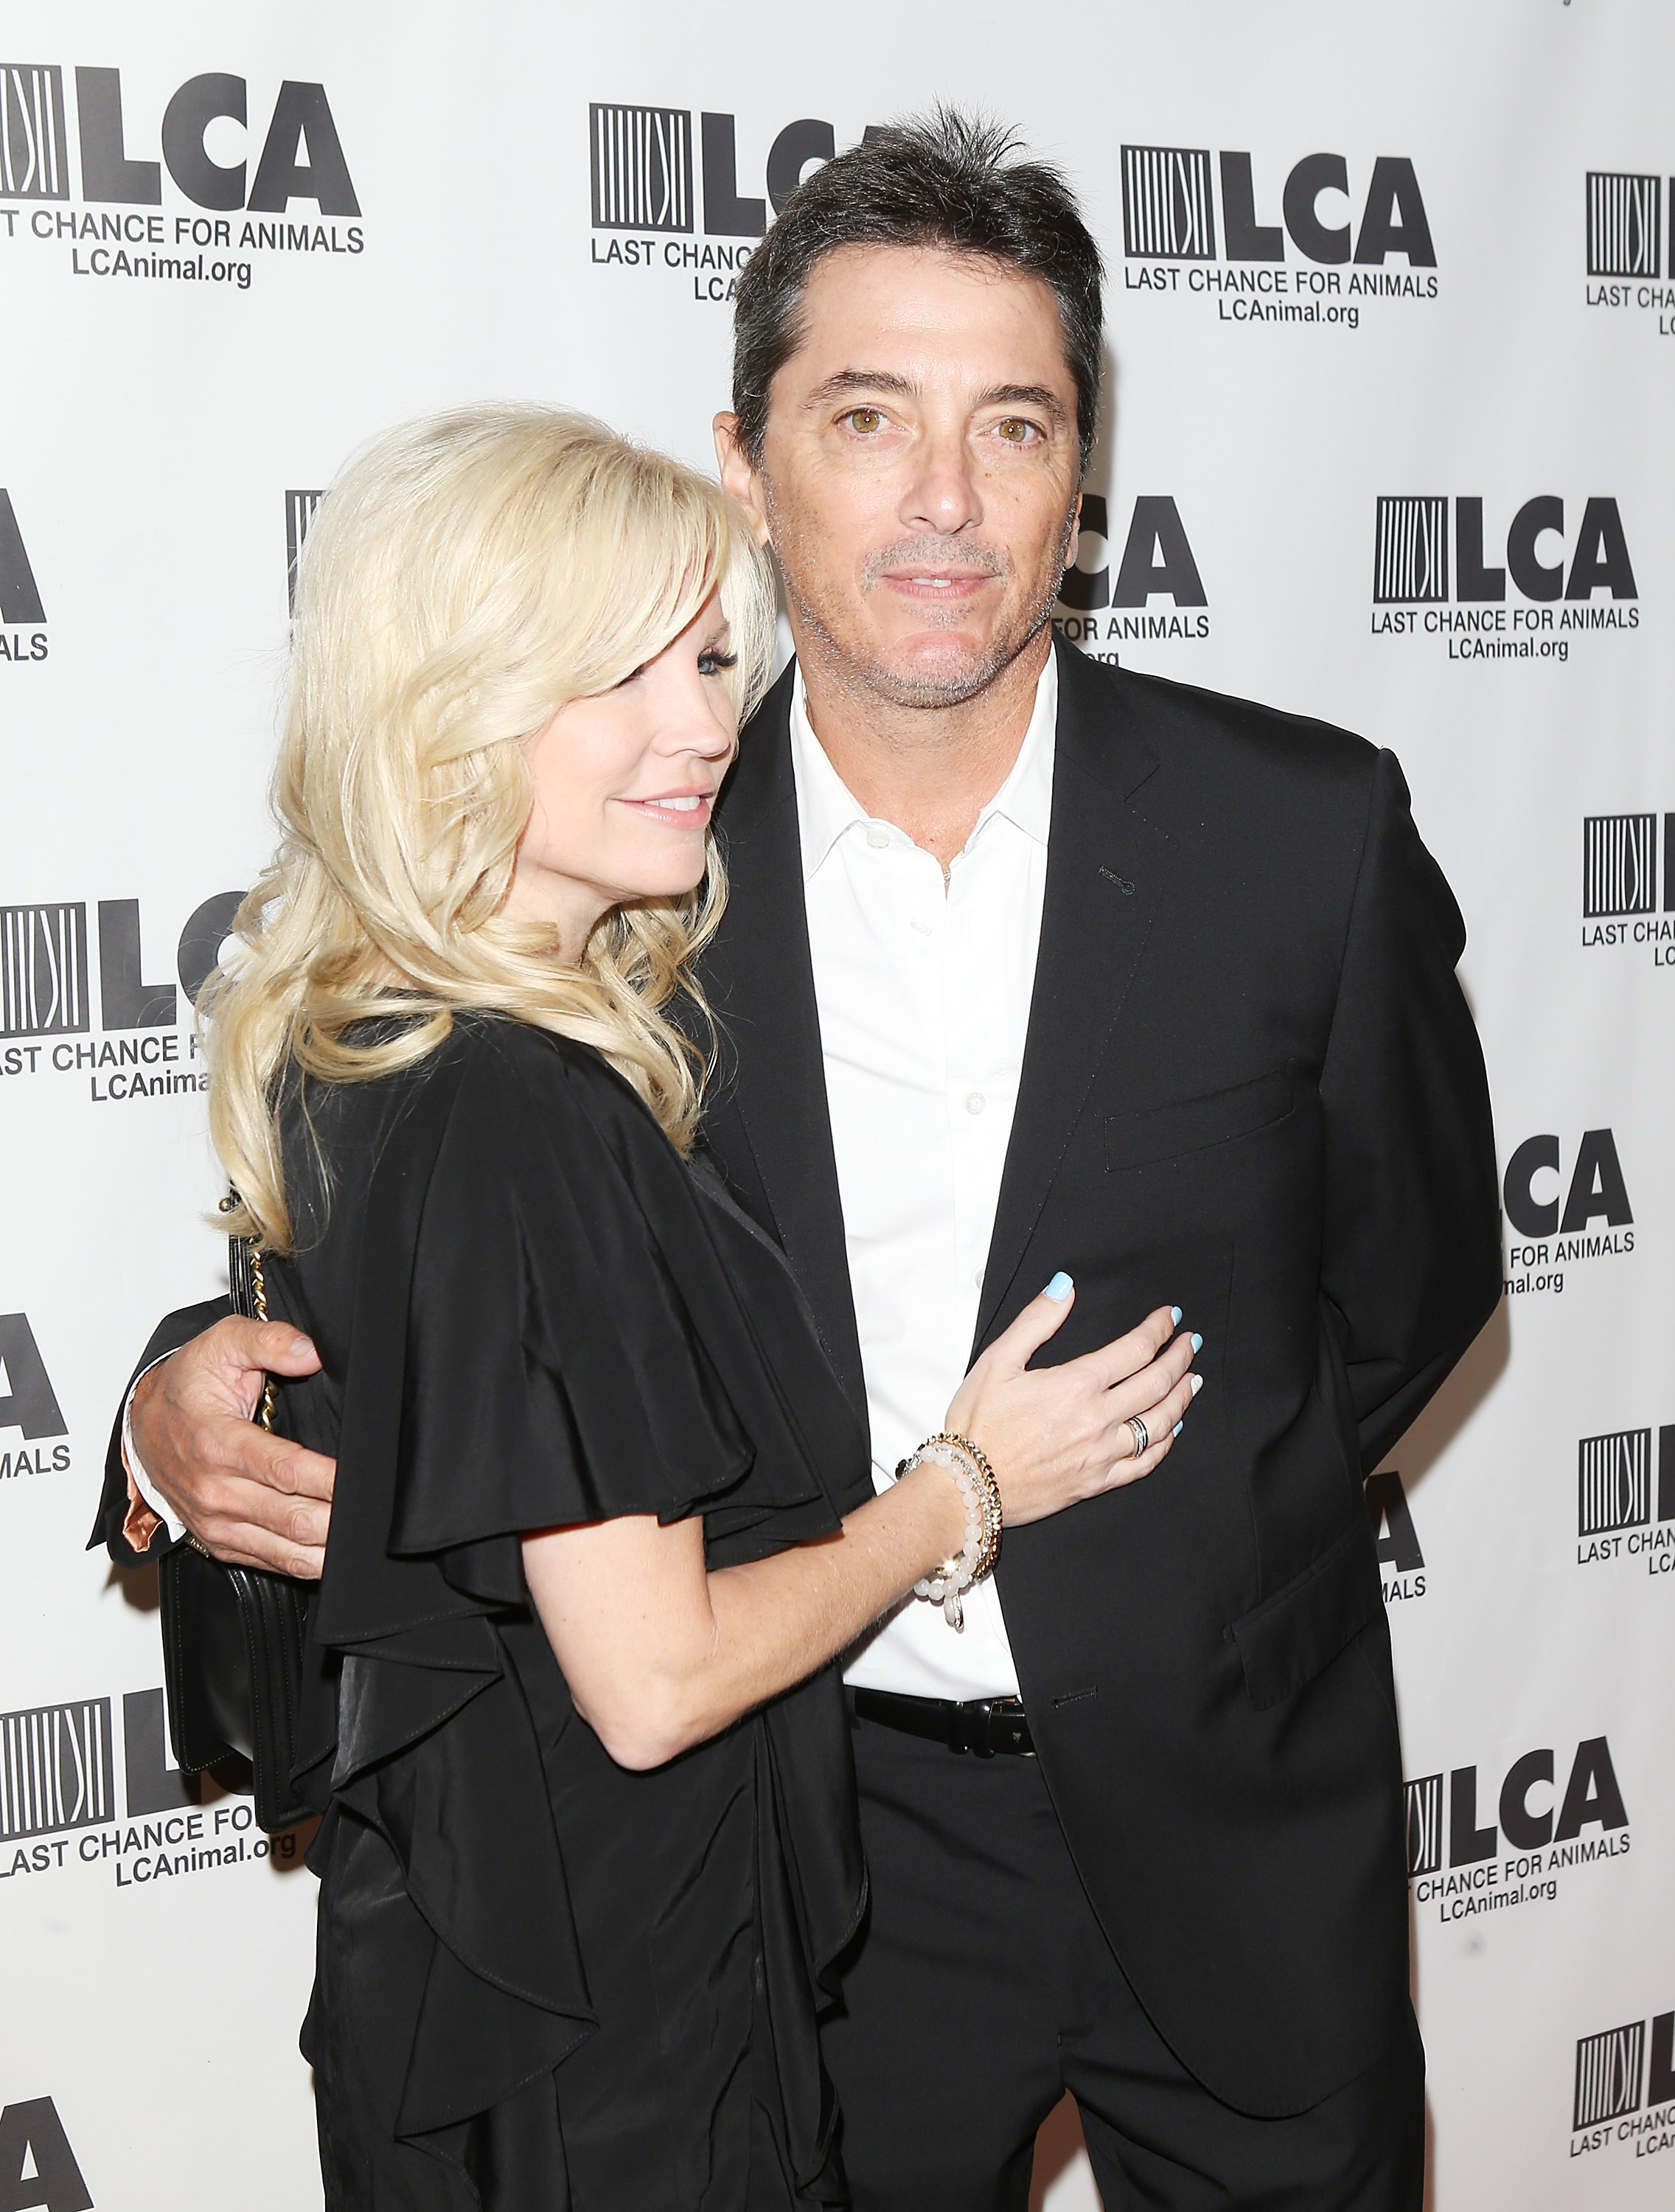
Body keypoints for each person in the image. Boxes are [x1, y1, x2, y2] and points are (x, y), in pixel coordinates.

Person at [101, 114, 1502, 2212]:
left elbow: (1409, 1298)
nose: (945, 500)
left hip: (1240, 1834)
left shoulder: (1301, 842)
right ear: (745, 460)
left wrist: (1176, 1567)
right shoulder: (616, 850)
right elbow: (430, 1197)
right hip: (811, 1853)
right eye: (869, 417)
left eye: (1013, 424)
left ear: (1086, 477)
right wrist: (167, 1389)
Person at [92, 405, 1198, 2211]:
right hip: (617, 2025)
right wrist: (959, 1491)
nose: (703, 726)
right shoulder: (521, 1099)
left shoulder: (347, 1026)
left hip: (470, 1969)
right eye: (617, 678)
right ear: (452, 704)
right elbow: (653, 1676)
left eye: (705, 656)